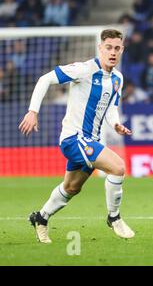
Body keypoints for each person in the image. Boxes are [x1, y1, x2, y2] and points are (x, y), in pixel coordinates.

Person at [19, 29, 135, 243]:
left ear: (122, 50)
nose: (112, 52)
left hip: (92, 141)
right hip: (74, 138)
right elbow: (45, 79)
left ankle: (40, 218)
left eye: (117, 48)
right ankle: (114, 217)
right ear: (100, 48)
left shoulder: (118, 78)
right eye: (108, 47)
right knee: (118, 167)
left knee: (72, 187)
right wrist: (33, 111)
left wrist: (116, 124)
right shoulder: (85, 69)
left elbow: (110, 108)